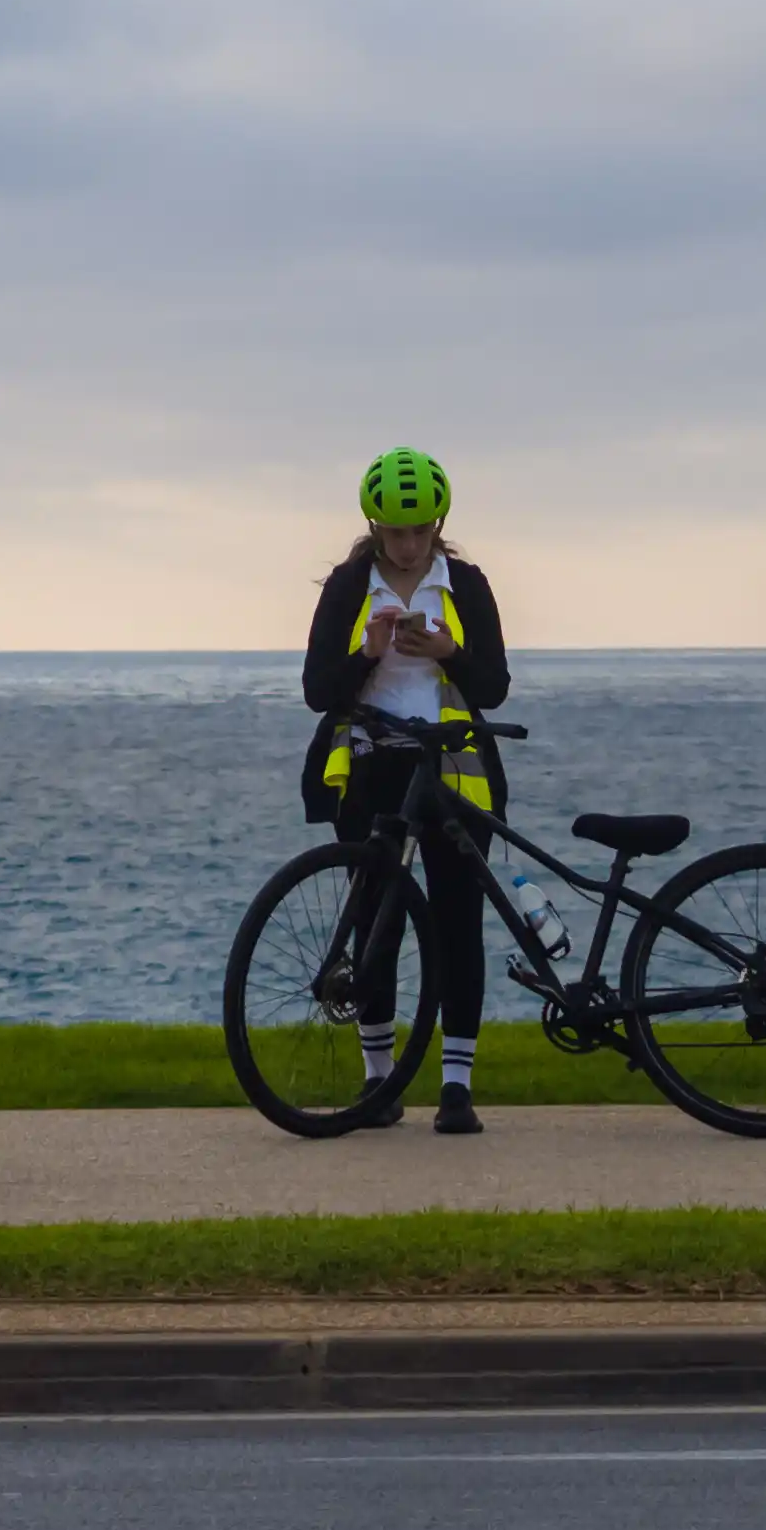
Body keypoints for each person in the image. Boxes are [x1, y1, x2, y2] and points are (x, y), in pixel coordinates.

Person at [295, 446, 513, 1134]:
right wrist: (366, 653)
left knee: (458, 921)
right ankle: (378, 1077)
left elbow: (494, 687)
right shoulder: (349, 585)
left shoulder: (465, 584)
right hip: (373, 765)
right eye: (396, 532)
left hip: (453, 769)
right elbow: (317, 691)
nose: (410, 546)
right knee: (376, 920)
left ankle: (456, 1085)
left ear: (438, 526)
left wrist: (450, 653)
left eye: (421, 531)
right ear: (375, 527)